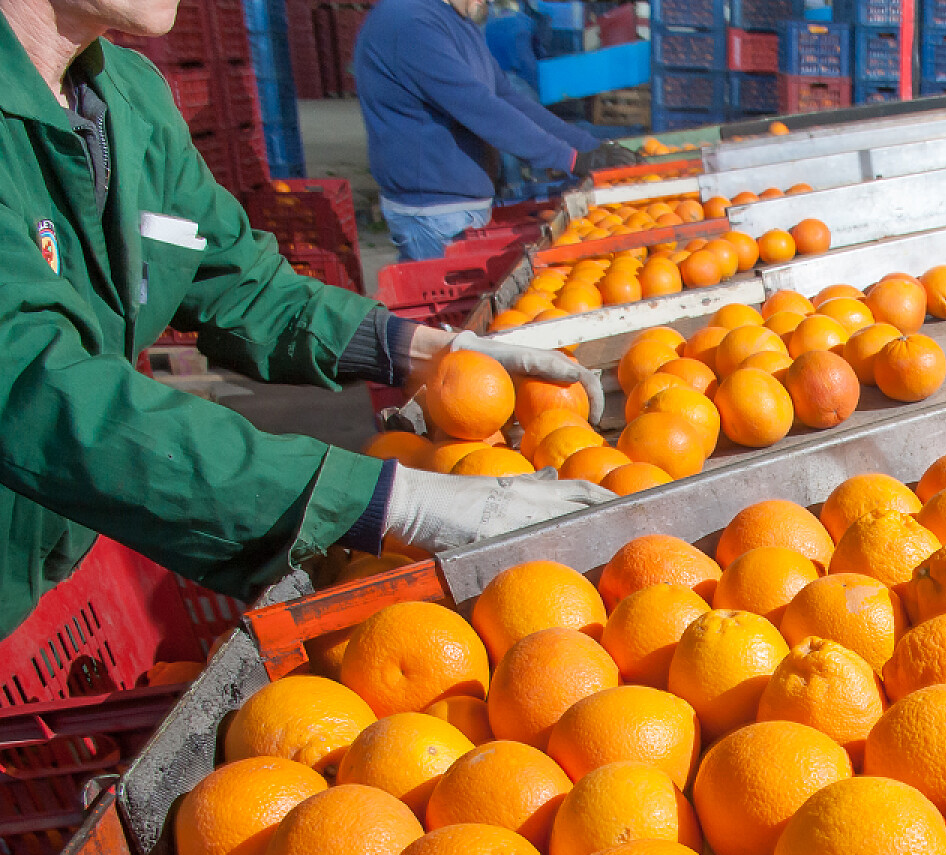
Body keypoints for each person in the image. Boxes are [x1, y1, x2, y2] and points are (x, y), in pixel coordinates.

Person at [0, 0, 614, 640]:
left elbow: (237, 279)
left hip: (55, 540)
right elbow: (35, 389)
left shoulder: (125, 96)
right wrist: (393, 502)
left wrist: (433, 352)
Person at [355, 0, 635, 260]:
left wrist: (588, 148)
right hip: (433, 214)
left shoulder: (456, 19)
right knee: (449, 312)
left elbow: (507, 98)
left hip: (461, 207)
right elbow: (478, 107)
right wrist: (569, 158)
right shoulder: (409, 24)